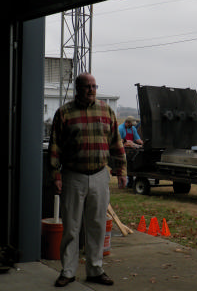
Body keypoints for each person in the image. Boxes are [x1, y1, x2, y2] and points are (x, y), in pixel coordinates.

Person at [49, 73, 127, 287]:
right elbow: (55, 146)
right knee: (72, 227)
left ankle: (95, 269)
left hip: (100, 176)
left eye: (94, 86)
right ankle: (68, 271)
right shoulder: (64, 113)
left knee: (97, 225)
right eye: (87, 86)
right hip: (73, 176)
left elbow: (116, 143)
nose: (92, 90)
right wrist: (56, 174)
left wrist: (121, 170)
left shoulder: (106, 111)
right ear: (77, 88)